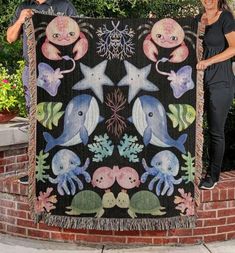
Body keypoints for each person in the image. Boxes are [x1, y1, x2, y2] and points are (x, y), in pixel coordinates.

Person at [7, 0, 78, 184]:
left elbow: (80, 34)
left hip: (59, 72)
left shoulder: (65, 6)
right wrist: (21, 19)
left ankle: (62, 168)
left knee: (61, 118)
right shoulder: (23, 7)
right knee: (34, 121)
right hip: (32, 72)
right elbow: (10, 38)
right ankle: (35, 172)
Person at [196, 0, 235, 190]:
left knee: (215, 131)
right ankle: (191, 171)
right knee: (192, 128)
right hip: (198, 83)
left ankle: (213, 176)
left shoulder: (225, 18)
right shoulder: (197, 20)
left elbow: (234, 48)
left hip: (221, 82)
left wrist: (208, 61)